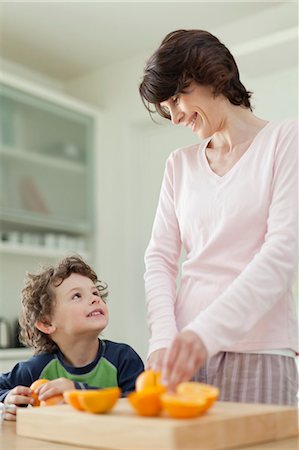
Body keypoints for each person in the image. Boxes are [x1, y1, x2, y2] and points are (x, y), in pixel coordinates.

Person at [139, 29, 298, 405]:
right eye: (167, 107)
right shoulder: (179, 165)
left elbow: (282, 254)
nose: (175, 117)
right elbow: (159, 260)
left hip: (260, 349)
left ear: (211, 74)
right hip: (185, 354)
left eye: (177, 98)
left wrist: (204, 334)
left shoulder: (285, 140)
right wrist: (163, 339)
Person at [0, 255, 144, 420]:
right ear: (46, 323)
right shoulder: (39, 367)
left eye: (95, 292)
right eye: (77, 296)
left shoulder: (123, 358)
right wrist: (7, 398)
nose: (95, 299)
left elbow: (138, 404)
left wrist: (78, 390)